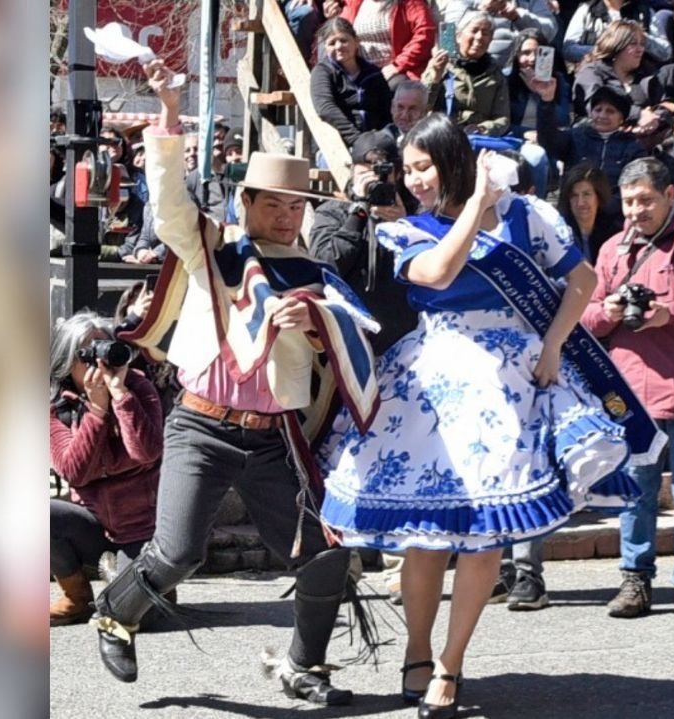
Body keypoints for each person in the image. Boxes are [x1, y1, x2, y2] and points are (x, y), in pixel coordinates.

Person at [318, 114, 636, 718]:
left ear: (454, 160)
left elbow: (584, 280)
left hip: (508, 380)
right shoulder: (405, 230)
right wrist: (476, 206)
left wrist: (552, 345)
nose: (413, 180)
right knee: (426, 537)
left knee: (486, 532)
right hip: (430, 378)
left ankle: (451, 663)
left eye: (423, 166)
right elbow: (437, 272)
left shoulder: (526, 216)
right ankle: (416, 647)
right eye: (407, 169)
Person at [88, 58, 381, 705]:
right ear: (245, 203)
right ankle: (115, 609)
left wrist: (313, 329)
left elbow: (339, 353)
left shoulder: (312, 274)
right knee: (174, 553)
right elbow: (167, 207)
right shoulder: (214, 251)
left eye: (293, 205)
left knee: (324, 555)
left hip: (273, 435)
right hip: (200, 422)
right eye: (271, 202)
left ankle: (304, 665)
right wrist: (167, 116)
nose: (283, 214)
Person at [580, 157, 674, 622]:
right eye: (628, 202)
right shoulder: (611, 250)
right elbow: (584, 320)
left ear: (670, 197)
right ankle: (635, 581)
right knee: (636, 492)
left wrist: (670, 313)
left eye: (645, 200)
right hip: (631, 395)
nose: (636, 211)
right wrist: (609, 308)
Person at [49, 311, 163, 627]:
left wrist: (120, 395)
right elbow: (75, 471)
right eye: (88, 354)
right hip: (91, 524)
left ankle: (144, 585)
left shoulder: (138, 388)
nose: (99, 363)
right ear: (66, 361)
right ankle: (76, 598)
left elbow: (146, 453)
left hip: (142, 528)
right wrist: (97, 412)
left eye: (105, 349)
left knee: (135, 616)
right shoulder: (56, 405)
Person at [309, 129, 420, 354]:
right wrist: (357, 215)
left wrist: (405, 227)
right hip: (347, 342)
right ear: (352, 171)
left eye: (381, 171)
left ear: (397, 174)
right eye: (365, 169)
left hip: (405, 344)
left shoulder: (415, 215)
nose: (373, 177)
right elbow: (325, 265)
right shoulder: (332, 213)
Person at [567, 85, 647, 226]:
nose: (602, 115)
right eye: (598, 110)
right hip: (574, 211)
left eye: (610, 111)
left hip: (612, 218)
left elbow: (632, 185)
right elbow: (549, 140)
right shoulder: (576, 136)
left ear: (621, 118)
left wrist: (599, 205)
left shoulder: (633, 147)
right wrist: (546, 102)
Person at [422, 12, 511, 137]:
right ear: (458, 36)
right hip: (444, 136)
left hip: (479, 138)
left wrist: (482, 129)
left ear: (490, 40)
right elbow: (422, 106)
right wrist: (436, 76)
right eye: (474, 31)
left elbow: (502, 118)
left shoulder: (495, 73)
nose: (479, 37)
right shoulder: (441, 65)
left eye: (485, 33)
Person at [310, 18, 394, 147]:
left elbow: (386, 109)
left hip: (376, 139)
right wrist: (357, 139)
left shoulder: (373, 73)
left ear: (356, 41)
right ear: (325, 47)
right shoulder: (323, 72)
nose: (338, 46)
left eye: (344, 40)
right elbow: (325, 108)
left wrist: (384, 136)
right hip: (340, 143)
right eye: (332, 43)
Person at [570, 19, 666, 130]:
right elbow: (595, 107)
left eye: (642, 44)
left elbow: (664, 104)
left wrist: (654, 120)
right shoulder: (591, 72)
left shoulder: (647, 73)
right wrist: (638, 115)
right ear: (616, 46)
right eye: (633, 44)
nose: (640, 49)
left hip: (645, 138)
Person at [507, 29, 564, 198]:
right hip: (518, 138)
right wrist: (524, 132)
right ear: (517, 56)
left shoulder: (557, 81)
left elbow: (561, 118)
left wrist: (543, 95)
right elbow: (502, 121)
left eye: (538, 53)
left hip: (548, 137)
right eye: (525, 53)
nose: (532, 59)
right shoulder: (506, 81)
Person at [335, 0, 437, 87]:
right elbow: (340, 31)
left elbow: (425, 34)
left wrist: (396, 66)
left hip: (398, 73)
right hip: (359, 70)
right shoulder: (354, 3)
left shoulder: (410, 2)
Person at [442, 0, 559, 70]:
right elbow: (446, 40)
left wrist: (518, 16)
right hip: (471, 69)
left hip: (519, 74)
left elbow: (550, 31)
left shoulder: (531, 2)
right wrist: (481, 12)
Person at [561, 0, 674, 65]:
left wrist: (639, 37)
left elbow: (665, 53)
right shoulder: (587, 10)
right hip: (597, 72)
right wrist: (604, 51)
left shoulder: (644, 12)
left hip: (638, 77)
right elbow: (568, 49)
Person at [555, 161, 620, 264]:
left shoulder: (614, 231)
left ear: (598, 197)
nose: (580, 202)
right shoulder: (558, 233)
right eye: (574, 196)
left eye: (586, 194)